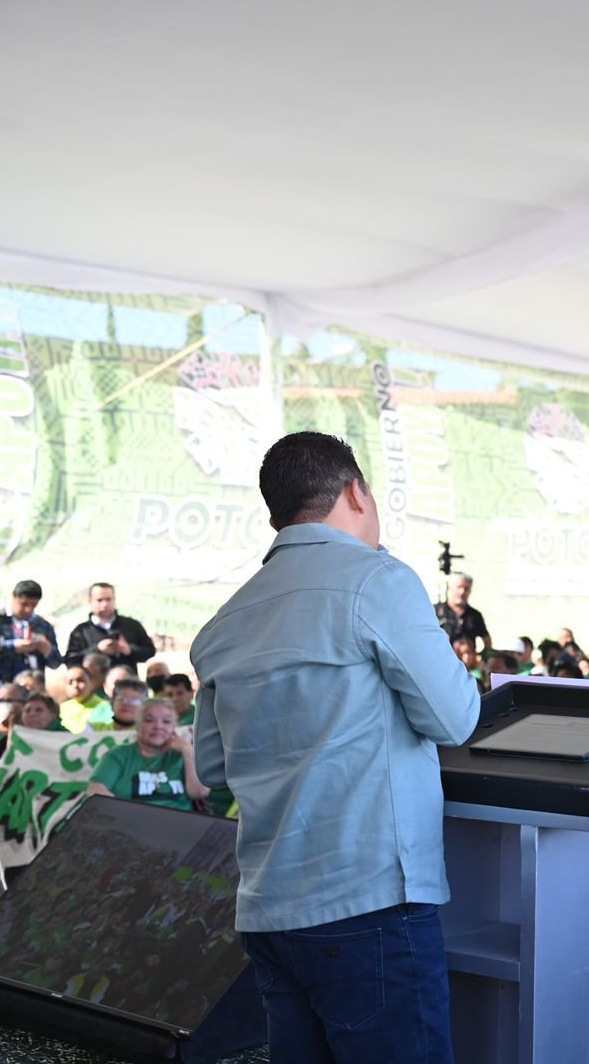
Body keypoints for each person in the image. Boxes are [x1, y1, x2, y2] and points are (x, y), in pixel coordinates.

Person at [191, 430, 480, 1064]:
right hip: (368, 899)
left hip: (269, 909)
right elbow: (454, 717)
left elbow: (213, 768)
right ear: (356, 491)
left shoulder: (223, 622)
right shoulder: (377, 580)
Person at [86, 698, 207, 812]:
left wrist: (187, 750)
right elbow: (95, 789)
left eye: (166, 721)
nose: (158, 726)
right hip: (129, 825)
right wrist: (123, 815)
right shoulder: (119, 755)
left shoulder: (182, 755)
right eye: (149, 720)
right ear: (137, 725)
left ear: (174, 728)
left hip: (180, 826)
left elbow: (199, 793)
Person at [63, 583, 156, 671]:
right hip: (94, 685)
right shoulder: (81, 631)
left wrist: (129, 650)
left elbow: (150, 651)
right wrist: (97, 650)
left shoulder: (132, 625)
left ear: (114, 600)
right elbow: (71, 660)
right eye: (99, 600)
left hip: (126, 684)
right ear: (90, 601)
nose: (105, 604)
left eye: (108, 599)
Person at [0, 580, 61, 682]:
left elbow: (56, 663)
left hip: (35, 689)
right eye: (24, 604)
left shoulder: (43, 626)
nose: (28, 609)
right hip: (4, 688)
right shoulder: (1, 621)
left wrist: (47, 649)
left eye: (33, 605)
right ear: (13, 598)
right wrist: (13, 646)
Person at [434, 572, 491, 653]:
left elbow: (487, 641)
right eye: (459, 587)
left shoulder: (475, 615)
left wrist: (479, 658)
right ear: (450, 588)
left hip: (465, 664)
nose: (462, 592)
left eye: (466, 588)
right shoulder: (435, 612)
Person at [56, 663, 108, 734]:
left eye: (80, 680)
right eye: (70, 682)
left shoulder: (106, 708)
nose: (75, 685)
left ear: (92, 683)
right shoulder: (60, 709)